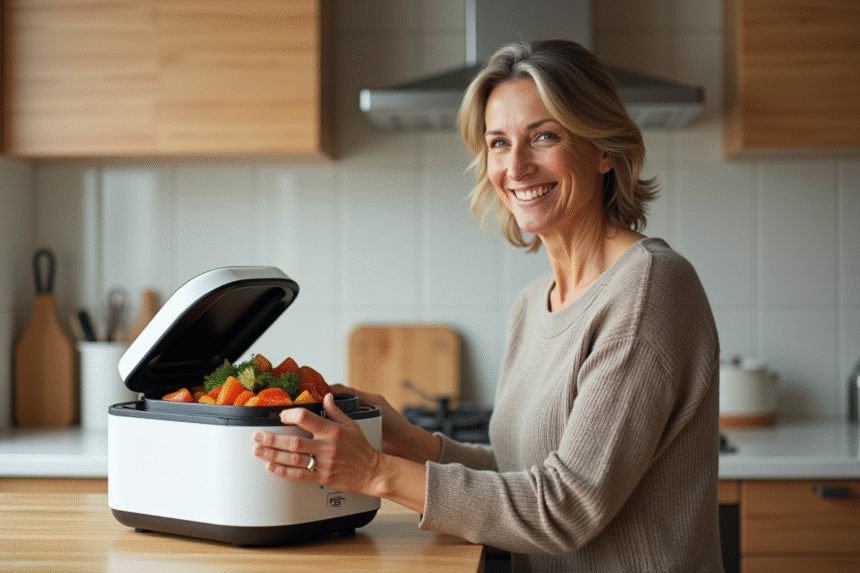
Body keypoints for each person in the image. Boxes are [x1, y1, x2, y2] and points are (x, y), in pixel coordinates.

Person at [252, 39, 722, 572]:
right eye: (499, 143)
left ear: (603, 149)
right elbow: (526, 473)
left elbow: (565, 508)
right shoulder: (532, 304)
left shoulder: (649, 289)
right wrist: (414, 445)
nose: (516, 167)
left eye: (544, 136)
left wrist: (376, 473)